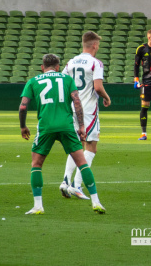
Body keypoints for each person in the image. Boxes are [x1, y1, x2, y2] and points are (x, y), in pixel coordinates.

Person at [19, 53, 105, 215]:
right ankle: (96, 202)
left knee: (36, 164)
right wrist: (81, 126)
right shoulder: (67, 80)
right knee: (82, 163)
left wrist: (23, 126)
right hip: (66, 125)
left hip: (45, 127)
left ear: (42, 67)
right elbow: (77, 102)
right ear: (58, 67)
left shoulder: (33, 81)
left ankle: (38, 206)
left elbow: (23, 106)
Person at [59, 31, 111, 200]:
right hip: (88, 109)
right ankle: (76, 185)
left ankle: (65, 182)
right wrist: (106, 97)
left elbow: (64, 83)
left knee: (76, 146)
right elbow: (97, 87)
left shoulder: (71, 62)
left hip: (72, 108)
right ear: (95, 45)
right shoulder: (96, 63)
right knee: (91, 146)